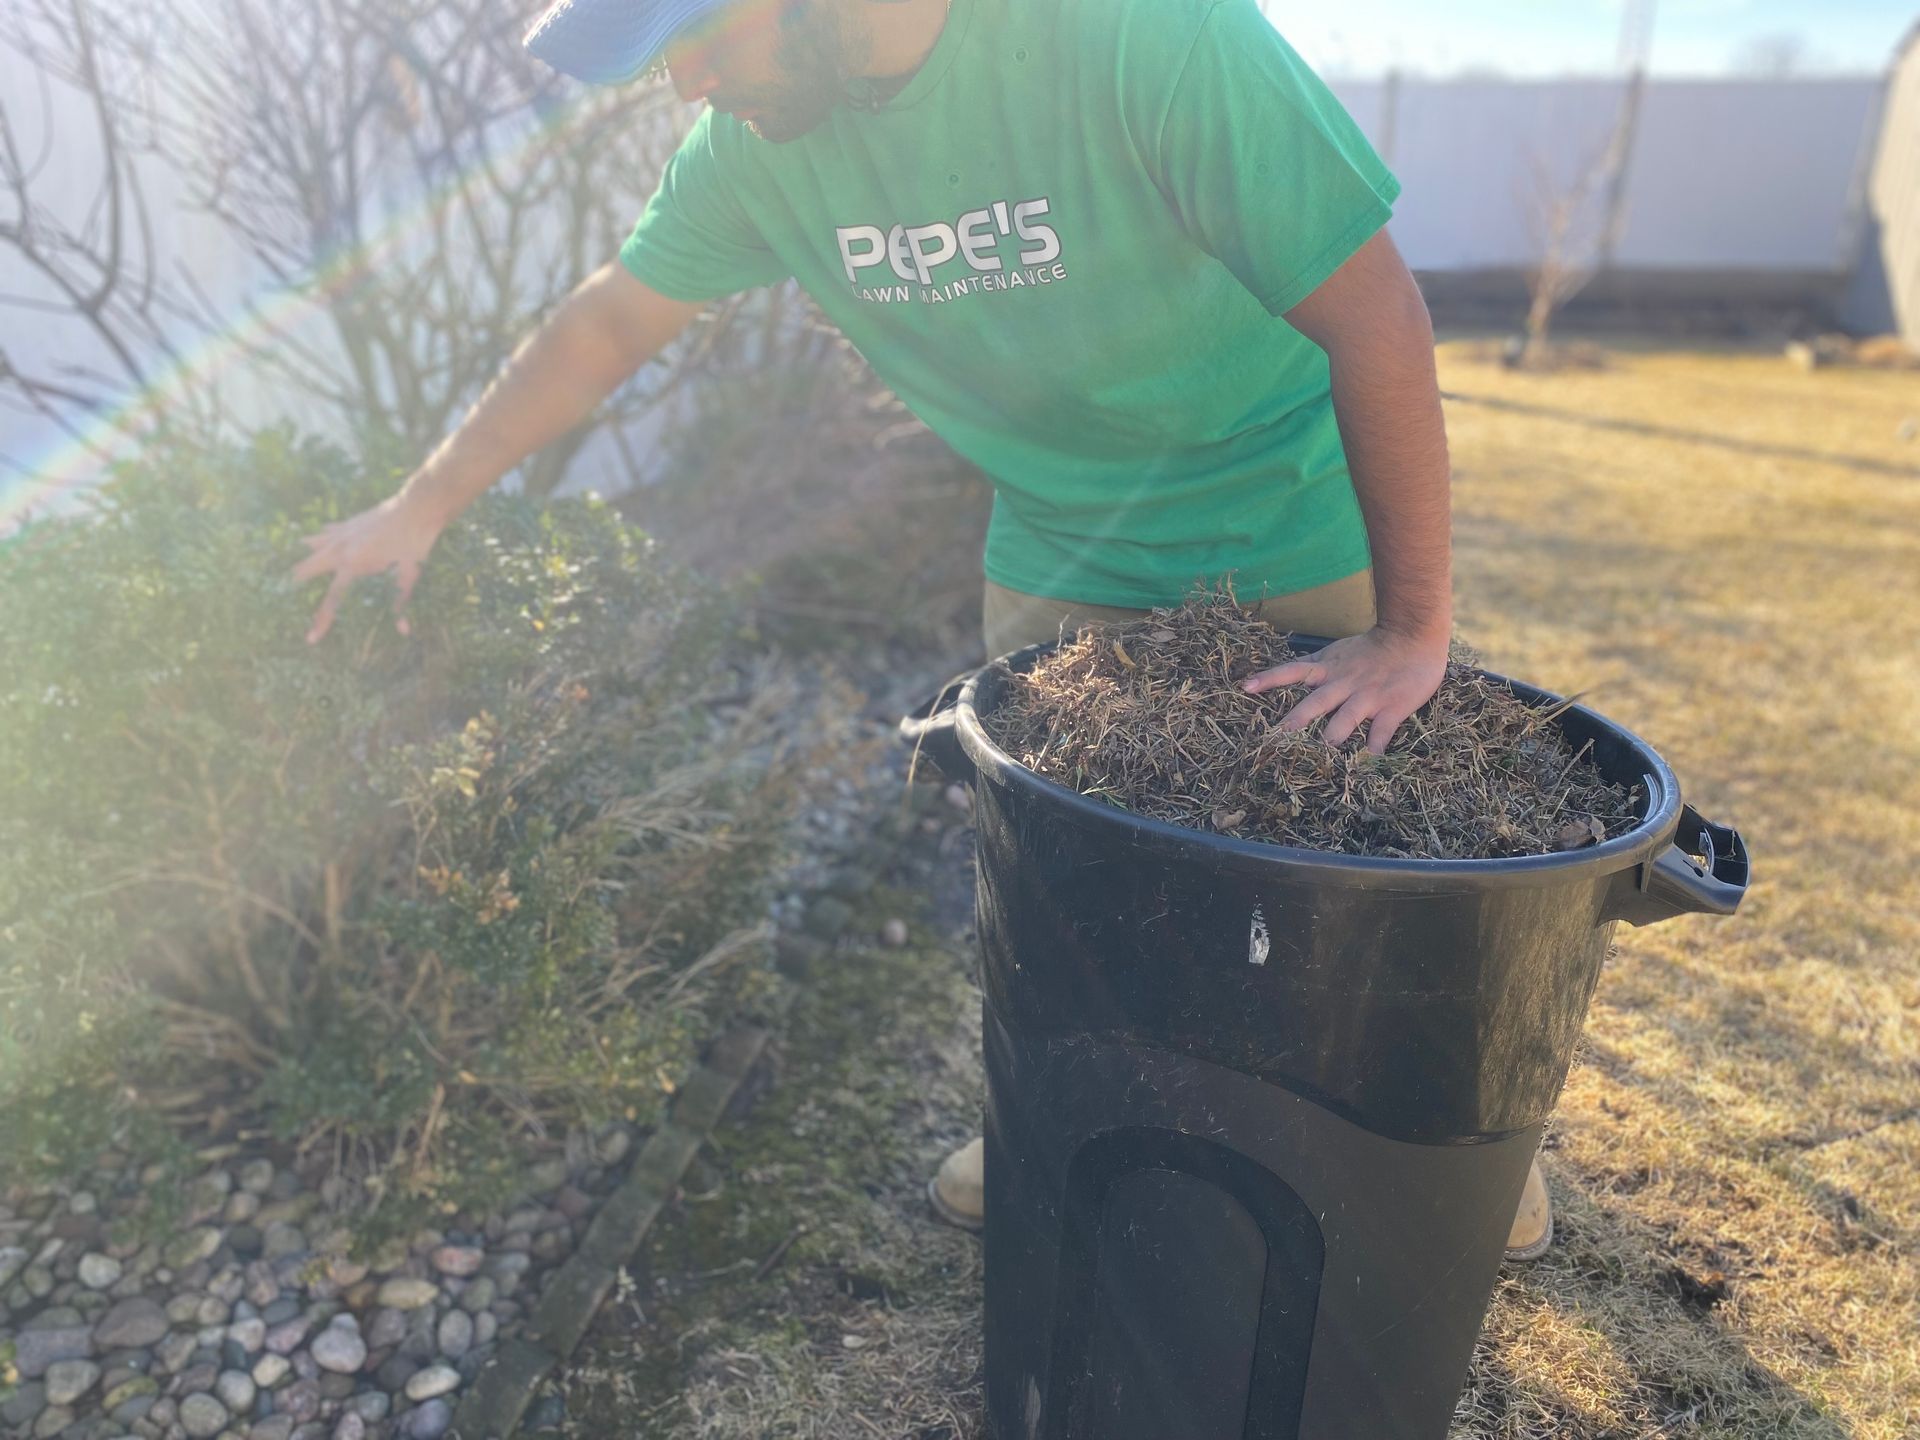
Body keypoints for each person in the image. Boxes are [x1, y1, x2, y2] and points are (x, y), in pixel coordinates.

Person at [291, 0, 1554, 1263]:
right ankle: (1062, 1124)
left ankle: (1431, 1154)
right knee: (1068, 884)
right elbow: (613, 318)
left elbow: (1377, 312)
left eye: (705, 35)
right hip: (1064, 543)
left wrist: (1412, 630)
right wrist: (422, 504)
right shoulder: (753, 148)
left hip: (1290, 512)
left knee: (1344, 885)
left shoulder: (1144, 35)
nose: (685, 84)